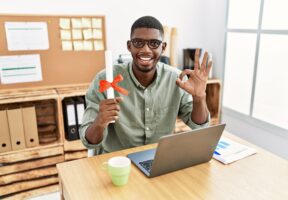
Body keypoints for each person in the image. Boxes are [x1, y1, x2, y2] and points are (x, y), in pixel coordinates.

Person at [79, 16, 212, 154]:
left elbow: (199, 127)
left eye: (154, 43)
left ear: (163, 47)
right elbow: (88, 141)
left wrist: (199, 98)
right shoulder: (105, 80)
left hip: (157, 159)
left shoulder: (176, 79)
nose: (146, 50)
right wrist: (100, 122)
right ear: (129, 46)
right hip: (117, 160)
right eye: (138, 43)